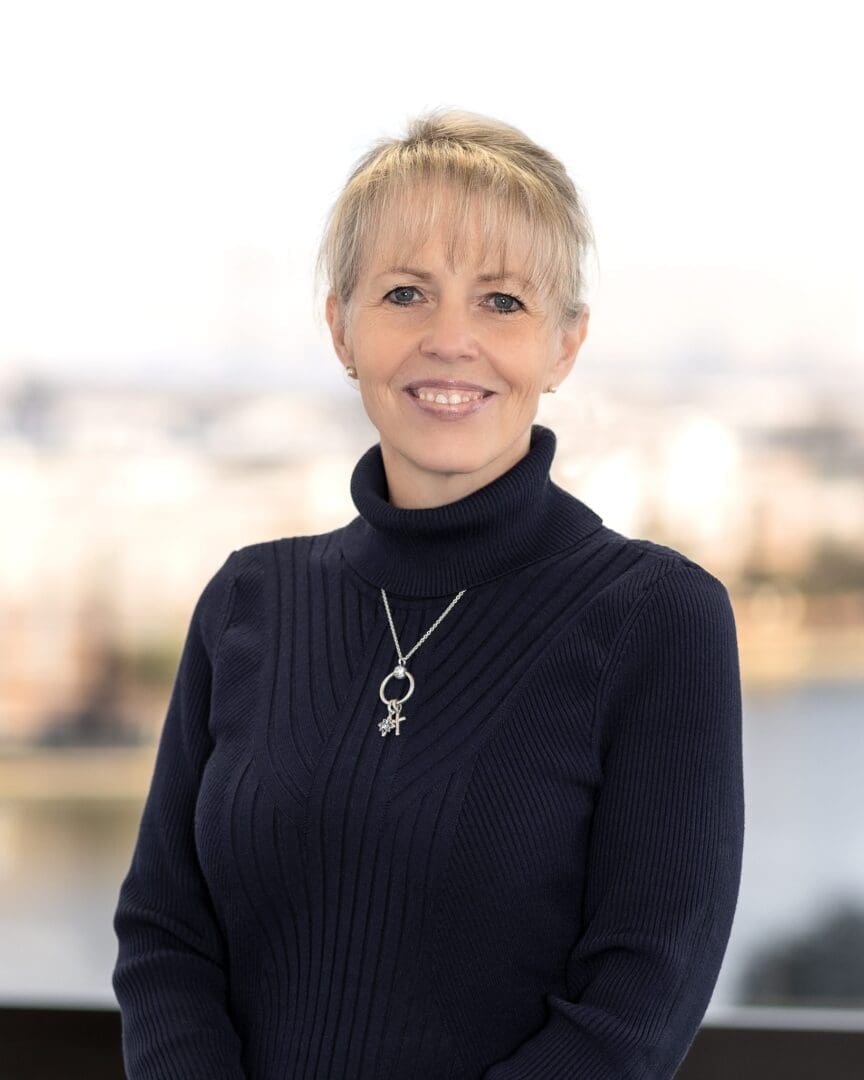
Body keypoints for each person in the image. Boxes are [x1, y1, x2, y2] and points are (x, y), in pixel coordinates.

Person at [112, 108, 745, 1079]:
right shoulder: (247, 600)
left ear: (565, 345)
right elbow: (165, 933)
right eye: (407, 293)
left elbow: (637, 1004)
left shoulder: (660, 621)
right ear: (342, 328)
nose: (451, 340)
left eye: (502, 303)